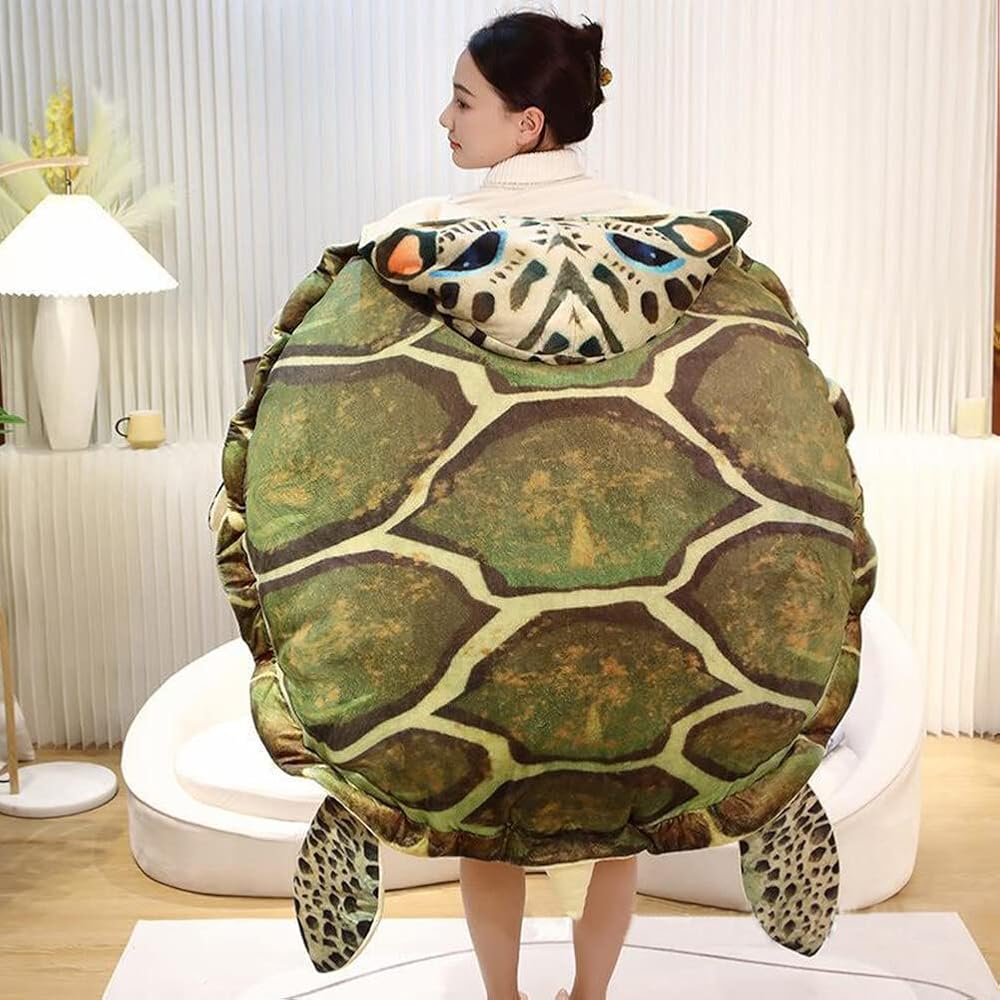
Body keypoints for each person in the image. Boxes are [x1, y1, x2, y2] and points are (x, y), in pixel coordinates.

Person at [358, 10, 672, 1000]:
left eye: (463, 100)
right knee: (618, 807)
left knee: (484, 811)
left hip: (483, 574)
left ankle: (503, 997)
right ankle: (591, 996)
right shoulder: (662, 236)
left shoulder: (421, 242)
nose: (444, 118)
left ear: (526, 123)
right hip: (632, 574)